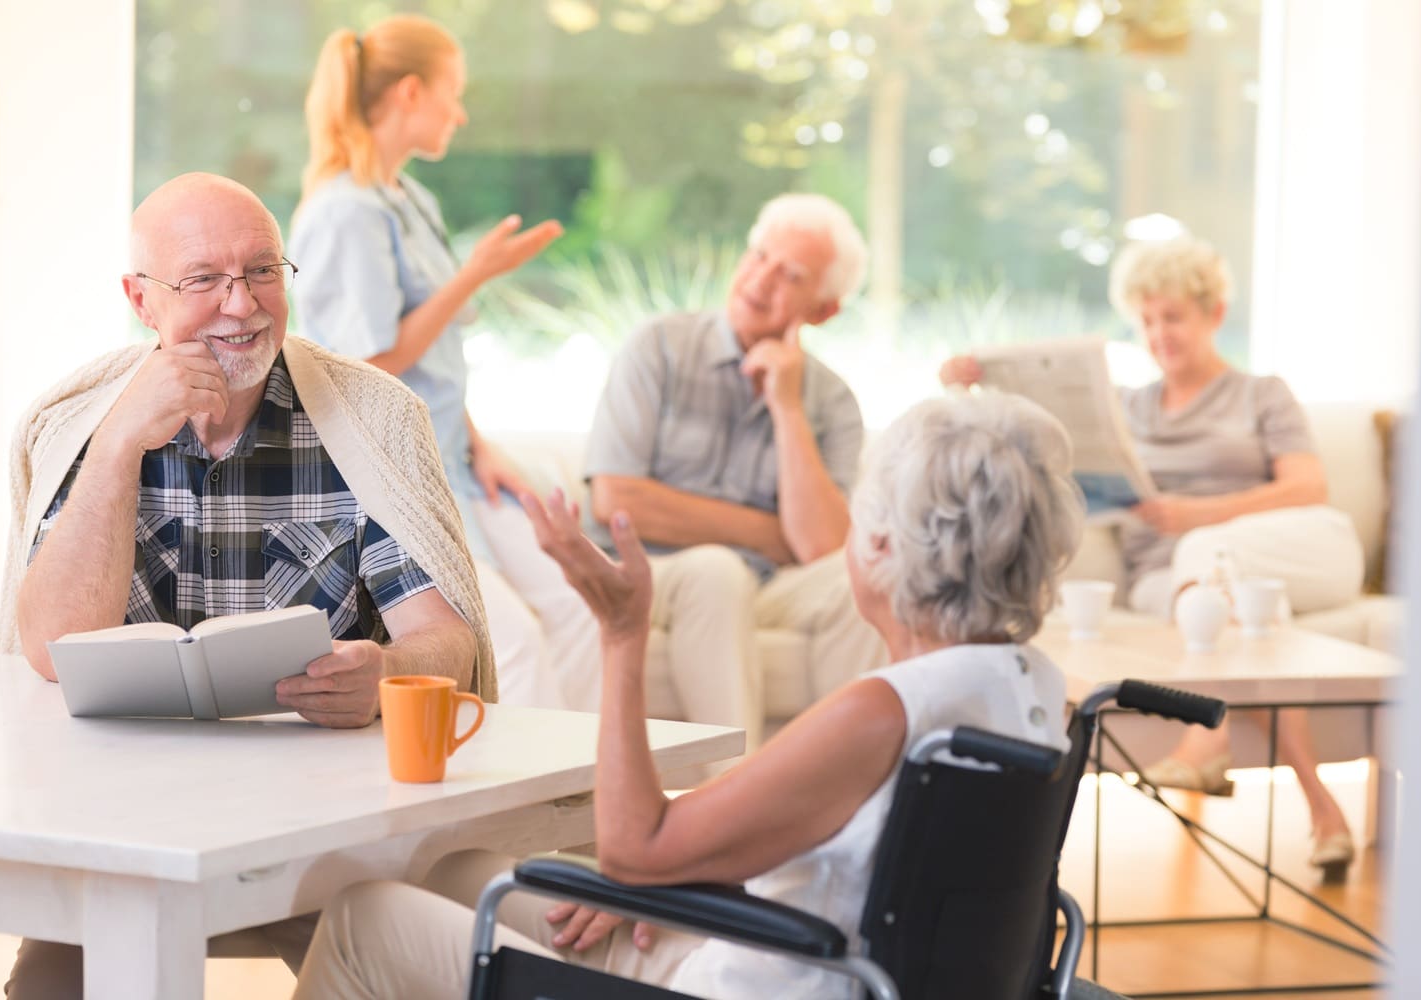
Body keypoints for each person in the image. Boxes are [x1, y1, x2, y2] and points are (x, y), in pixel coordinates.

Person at [288, 391, 1086, 999]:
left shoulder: (882, 711)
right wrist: (664, 876)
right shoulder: (1033, 693)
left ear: (879, 546)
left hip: (763, 981)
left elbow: (636, 846)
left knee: (365, 917)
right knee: (457, 872)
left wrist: (622, 630)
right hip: (810, 957)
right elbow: (853, 866)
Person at [0, 171, 495, 995]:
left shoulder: (371, 419)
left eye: (262, 270)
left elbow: (449, 640)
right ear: (140, 299)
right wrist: (121, 444)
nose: (242, 304)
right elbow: (51, 649)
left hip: (328, 834)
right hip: (123, 825)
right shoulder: (78, 423)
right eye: (204, 281)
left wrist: (388, 674)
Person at [940, 233, 1362, 874]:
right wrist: (969, 395)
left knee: (1207, 552)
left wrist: (1196, 516)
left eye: (1173, 316)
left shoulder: (1260, 393)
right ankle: (1322, 807)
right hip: (1175, 583)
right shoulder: (1126, 409)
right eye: (1146, 319)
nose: (1158, 332)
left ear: (1214, 314)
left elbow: (1309, 486)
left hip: (1294, 551)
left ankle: (1207, 738)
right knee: (1251, 622)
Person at [289, 13, 577, 708]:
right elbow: (374, 360)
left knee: (578, 604)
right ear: (411, 93)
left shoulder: (408, 197)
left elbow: (437, 361)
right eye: (455, 90)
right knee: (511, 641)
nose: (462, 110)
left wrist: (482, 447)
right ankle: (521, 800)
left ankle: (587, 791)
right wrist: (472, 275)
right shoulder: (345, 212)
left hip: (455, 460)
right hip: (398, 473)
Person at [572, 192, 885, 750]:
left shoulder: (833, 401)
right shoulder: (660, 346)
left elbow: (821, 547)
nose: (760, 280)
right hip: (649, 573)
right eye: (758, 255)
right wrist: (768, 533)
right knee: (716, 572)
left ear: (824, 309)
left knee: (861, 575)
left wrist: (787, 406)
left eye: (789, 274)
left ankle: (850, 792)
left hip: (762, 585)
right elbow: (617, 501)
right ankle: (736, 803)